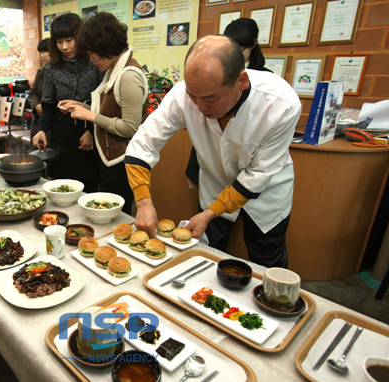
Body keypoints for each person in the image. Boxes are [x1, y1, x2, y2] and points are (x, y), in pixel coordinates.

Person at [124, 35, 301, 268]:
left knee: (267, 256)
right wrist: (144, 203)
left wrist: (210, 213)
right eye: (192, 96)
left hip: (266, 193)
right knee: (207, 253)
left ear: (242, 81)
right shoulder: (182, 95)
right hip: (215, 184)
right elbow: (143, 144)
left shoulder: (281, 104)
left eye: (210, 98)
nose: (200, 107)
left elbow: (257, 175)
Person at [60, 12, 149, 214]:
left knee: (116, 217)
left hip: (125, 162)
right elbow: (109, 110)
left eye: (92, 53)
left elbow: (130, 127)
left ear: (105, 47)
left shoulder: (128, 76)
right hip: (112, 158)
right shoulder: (115, 69)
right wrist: (80, 106)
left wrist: (90, 116)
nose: (91, 59)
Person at [186, 17, 272, 188]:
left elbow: (260, 170)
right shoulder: (199, 82)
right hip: (213, 161)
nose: (201, 106)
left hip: (250, 168)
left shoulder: (268, 86)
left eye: (240, 48)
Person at [32, 13, 104, 192]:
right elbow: (48, 105)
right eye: (59, 42)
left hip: (89, 132)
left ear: (80, 37)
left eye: (70, 40)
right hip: (62, 134)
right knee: (62, 186)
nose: (65, 47)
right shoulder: (51, 67)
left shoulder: (94, 62)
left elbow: (103, 101)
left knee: (88, 185)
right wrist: (42, 129)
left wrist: (90, 131)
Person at [28, 38, 50, 142]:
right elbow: (32, 93)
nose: (41, 56)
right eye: (40, 52)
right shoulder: (41, 72)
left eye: (44, 52)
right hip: (39, 120)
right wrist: (36, 105)